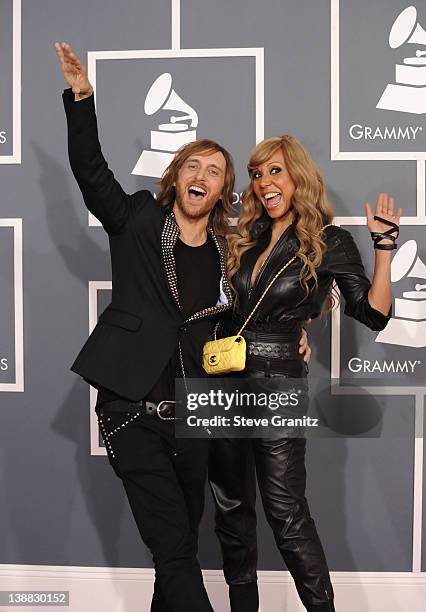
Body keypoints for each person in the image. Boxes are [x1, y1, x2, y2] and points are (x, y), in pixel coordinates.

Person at [55, 41, 311, 611]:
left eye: (215, 171)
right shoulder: (139, 219)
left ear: (222, 192)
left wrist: (295, 329)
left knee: (175, 552)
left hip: (195, 417)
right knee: (173, 549)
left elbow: (254, 309)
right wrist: (81, 100)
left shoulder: (226, 255)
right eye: (193, 165)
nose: (202, 174)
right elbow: (92, 174)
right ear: (177, 178)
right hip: (130, 413)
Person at [208, 135, 402, 612]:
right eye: (257, 175)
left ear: (298, 174)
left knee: (285, 510)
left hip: (277, 378)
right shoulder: (245, 237)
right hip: (222, 378)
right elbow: (227, 309)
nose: (264, 183)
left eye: (275, 171)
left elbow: (373, 314)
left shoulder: (329, 241)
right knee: (230, 509)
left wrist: (383, 247)